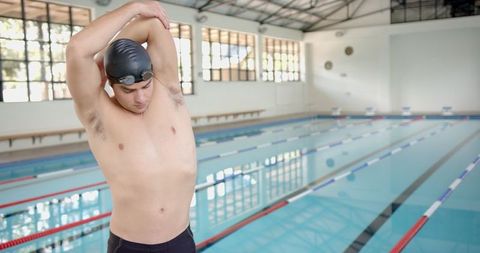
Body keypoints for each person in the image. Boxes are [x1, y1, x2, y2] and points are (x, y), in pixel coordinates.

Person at [66, 1, 197, 252]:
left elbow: (151, 24)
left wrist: (110, 53)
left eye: (145, 87)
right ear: (111, 84)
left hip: (182, 240)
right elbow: (77, 48)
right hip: (131, 246)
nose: (140, 98)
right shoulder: (98, 114)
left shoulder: (169, 91)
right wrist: (133, 7)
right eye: (127, 90)